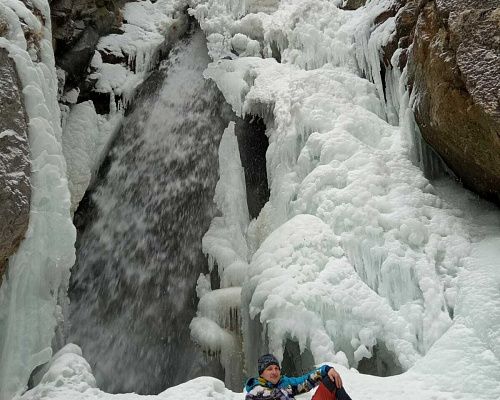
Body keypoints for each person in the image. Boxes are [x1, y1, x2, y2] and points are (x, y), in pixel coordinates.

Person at [245, 354, 352, 400]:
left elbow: (306, 381)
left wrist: (326, 370)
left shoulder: (284, 383)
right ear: (261, 374)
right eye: (269, 369)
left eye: (276, 368)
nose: (274, 372)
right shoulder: (256, 393)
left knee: (331, 380)